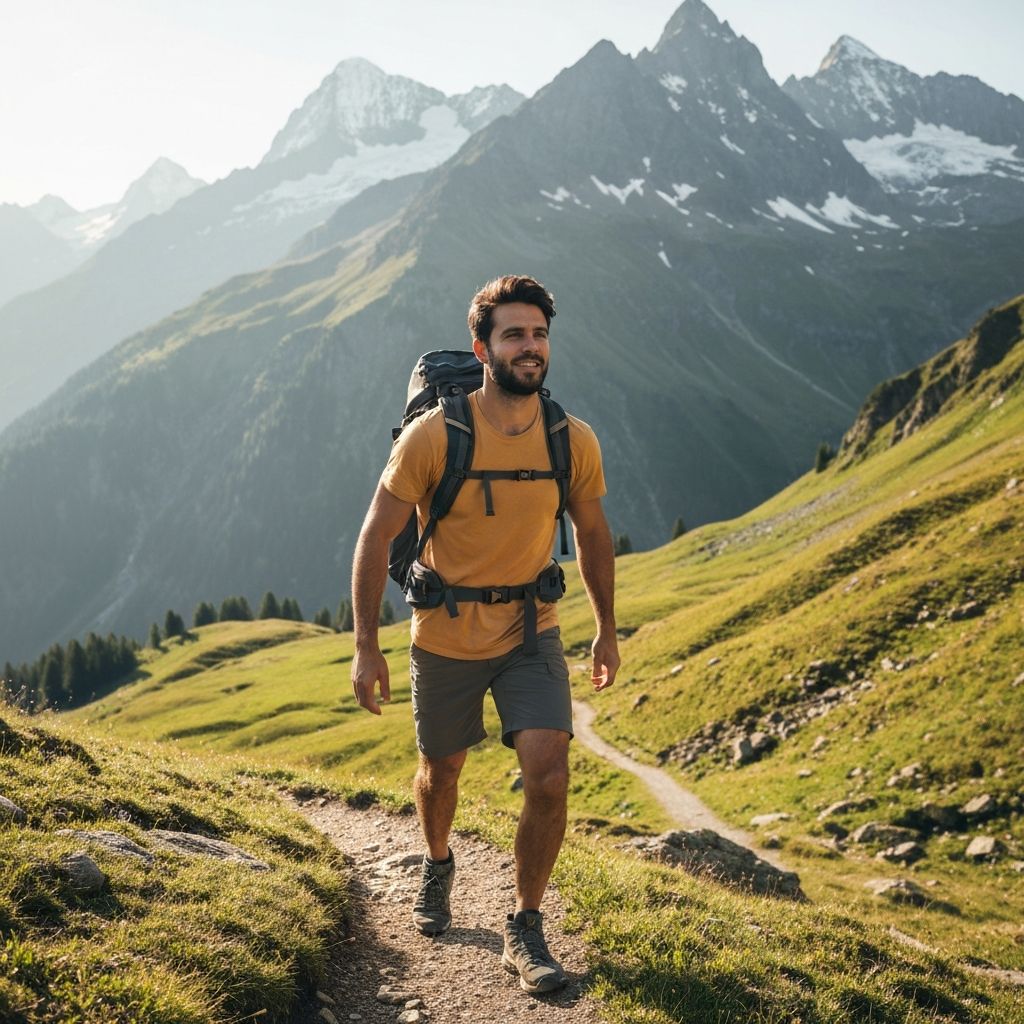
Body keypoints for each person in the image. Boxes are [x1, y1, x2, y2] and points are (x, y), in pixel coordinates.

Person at [350, 274, 619, 994]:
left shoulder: (571, 439)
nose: (530, 348)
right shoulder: (433, 437)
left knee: (550, 775)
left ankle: (525, 926)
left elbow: (592, 536)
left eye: (538, 334)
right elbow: (376, 537)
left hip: (532, 632)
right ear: (483, 346)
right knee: (442, 773)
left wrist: (605, 631)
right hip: (444, 635)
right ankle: (438, 864)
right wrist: (365, 646)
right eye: (514, 335)